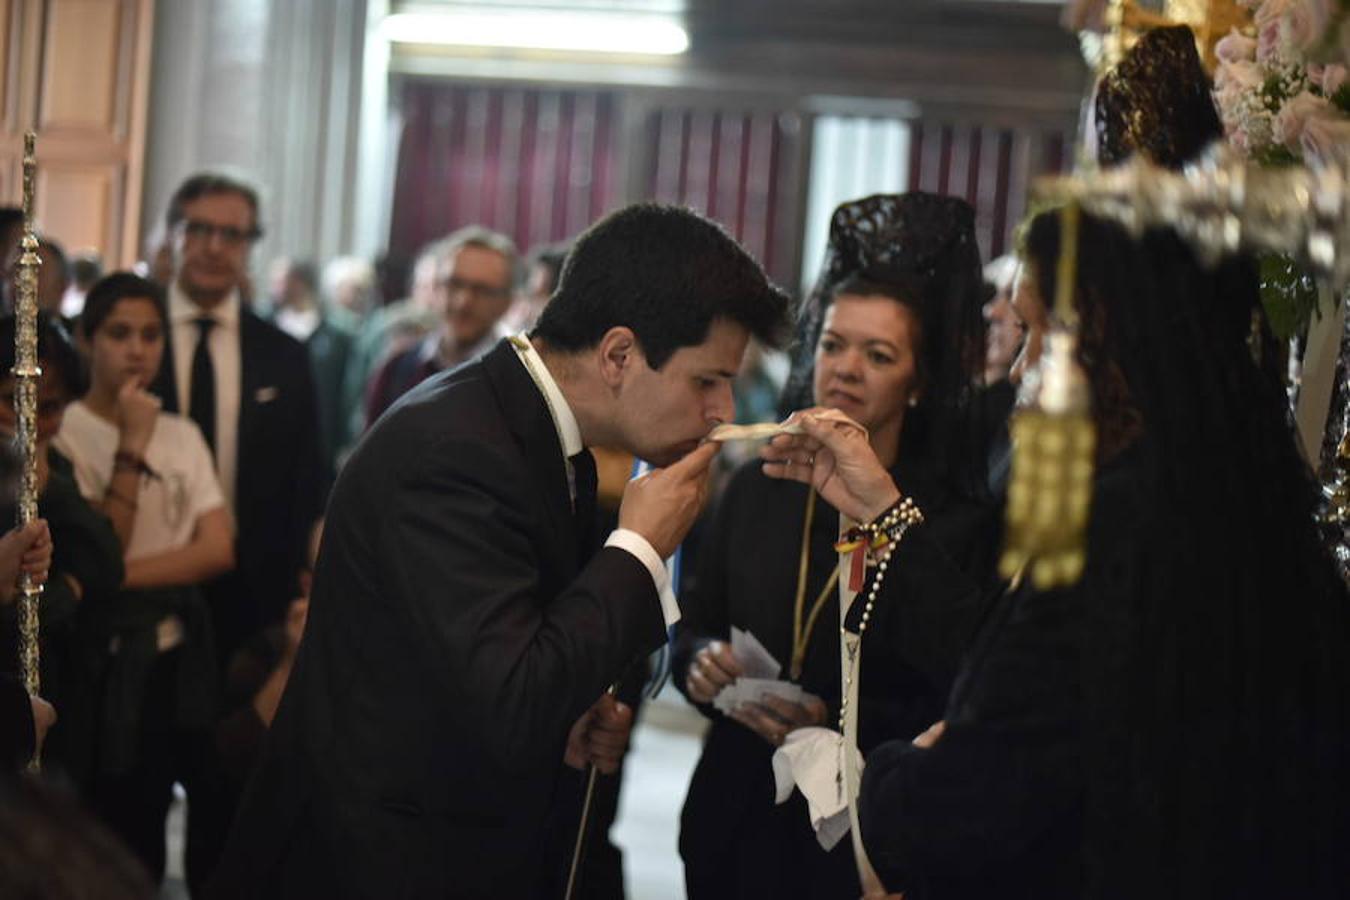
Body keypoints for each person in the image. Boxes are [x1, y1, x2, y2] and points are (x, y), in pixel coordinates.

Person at [207, 203, 790, 899]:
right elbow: (512, 700)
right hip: (372, 857)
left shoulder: (527, 426)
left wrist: (569, 717)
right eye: (706, 380)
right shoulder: (457, 451)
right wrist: (638, 547)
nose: (723, 410)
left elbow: (486, 656)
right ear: (618, 355)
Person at [769, 207, 1350, 898]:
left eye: (1036, 337)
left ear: (1100, 346)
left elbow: (967, 808)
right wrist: (882, 512)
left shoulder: (1116, 528)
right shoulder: (1240, 502)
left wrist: (892, 776)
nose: (1016, 372)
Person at [674, 193, 998, 899]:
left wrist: (833, 716)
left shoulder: (952, 521)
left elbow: (964, 692)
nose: (846, 368)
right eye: (832, 343)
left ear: (917, 382)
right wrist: (695, 662)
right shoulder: (762, 483)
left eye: (878, 354)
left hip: (856, 839)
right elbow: (694, 617)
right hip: (731, 813)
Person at [52, 272, 235, 891]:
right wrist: (131, 439)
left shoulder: (181, 432)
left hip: (166, 654)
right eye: (120, 334)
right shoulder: (64, 430)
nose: (138, 350)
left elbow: (215, 549)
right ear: (85, 339)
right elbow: (99, 546)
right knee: (83, 828)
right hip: (84, 659)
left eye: (152, 336)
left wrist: (104, 578)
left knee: (149, 826)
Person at [147, 173, 321, 675]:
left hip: (250, 594)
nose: (214, 247)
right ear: (173, 234)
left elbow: (305, 481)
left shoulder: (285, 354)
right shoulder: (130, 334)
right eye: (199, 229)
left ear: (250, 246)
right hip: (138, 584)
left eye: (233, 235)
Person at [363, 225, 519, 426]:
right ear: (437, 288)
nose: (463, 302)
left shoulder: (516, 383)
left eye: (481, 290)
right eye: (455, 284)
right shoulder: (397, 369)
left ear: (506, 302)